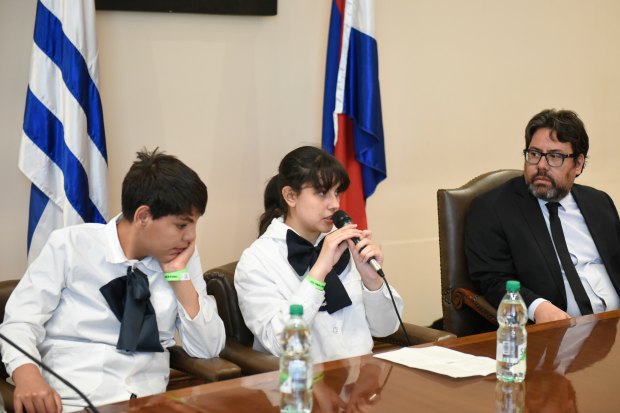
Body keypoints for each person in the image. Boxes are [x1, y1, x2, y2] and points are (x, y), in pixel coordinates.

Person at [0, 149, 226, 412]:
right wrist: (27, 376)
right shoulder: (70, 245)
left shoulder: (181, 256)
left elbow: (208, 349)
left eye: (194, 224)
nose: (191, 237)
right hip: (70, 402)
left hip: (148, 403)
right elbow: (20, 322)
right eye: (181, 225)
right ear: (143, 216)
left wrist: (176, 274)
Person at [234, 146, 403, 364]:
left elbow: (386, 328)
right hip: (298, 387)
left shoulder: (347, 243)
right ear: (290, 196)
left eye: (336, 193)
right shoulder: (257, 260)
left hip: (361, 381)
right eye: (322, 193)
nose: (334, 204)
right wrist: (319, 271)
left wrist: (373, 281)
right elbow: (280, 344)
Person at [465, 109, 620, 325]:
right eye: (535, 153)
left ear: (578, 164)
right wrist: (537, 307)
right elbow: (493, 280)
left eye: (555, 156)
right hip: (554, 335)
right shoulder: (492, 209)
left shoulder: (599, 203)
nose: (541, 165)